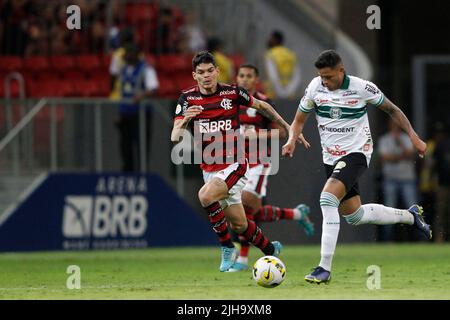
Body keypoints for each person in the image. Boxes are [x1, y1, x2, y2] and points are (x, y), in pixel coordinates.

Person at [282, 50, 431, 284]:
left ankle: (324, 268)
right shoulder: (315, 87)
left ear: (341, 71)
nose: (325, 81)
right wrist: (292, 139)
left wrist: (413, 136)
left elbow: (392, 109)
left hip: (357, 153)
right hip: (330, 158)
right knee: (354, 215)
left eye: (329, 77)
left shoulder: (362, 87)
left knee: (327, 199)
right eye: (322, 76)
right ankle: (410, 216)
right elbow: (299, 120)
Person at [171, 51, 304, 272]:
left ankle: (226, 247)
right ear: (195, 75)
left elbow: (263, 106)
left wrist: (289, 128)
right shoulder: (187, 99)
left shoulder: (231, 93)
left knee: (205, 196)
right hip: (209, 169)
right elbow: (175, 136)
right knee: (240, 224)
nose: (206, 76)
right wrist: (186, 119)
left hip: (236, 164)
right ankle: (271, 250)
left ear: (217, 71)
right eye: (201, 72)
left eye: (210, 71)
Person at [228, 64, 314, 272]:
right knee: (251, 211)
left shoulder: (264, 103)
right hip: (234, 162)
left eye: (249, 76)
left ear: (256, 79)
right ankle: (296, 214)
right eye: (242, 75)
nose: (245, 79)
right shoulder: (229, 102)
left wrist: (257, 135)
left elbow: (282, 133)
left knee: (245, 204)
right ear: (236, 79)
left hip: (259, 161)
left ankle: (242, 259)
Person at [116, 43, 159, 172]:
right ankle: (127, 172)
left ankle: (142, 172)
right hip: (125, 114)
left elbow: (153, 88)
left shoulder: (146, 69)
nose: (128, 56)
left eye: (131, 53)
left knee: (141, 146)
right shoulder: (123, 70)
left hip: (141, 114)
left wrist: (142, 95)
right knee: (125, 146)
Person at [378, 119, 421, 241]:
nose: (395, 127)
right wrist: (401, 156)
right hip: (390, 179)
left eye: (397, 125)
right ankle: (388, 240)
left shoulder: (407, 138)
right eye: (393, 125)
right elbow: (384, 157)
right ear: (390, 126)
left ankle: (420, 238)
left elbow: (411, 154)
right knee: (389, 210)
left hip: (407, 179)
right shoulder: (384, 139)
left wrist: (400, 143)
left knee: (413, 208)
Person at [264, 30, 301, 100]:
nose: (268, 40)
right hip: (290, 95)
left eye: (271, 38)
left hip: (274, 95)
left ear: (276, 40)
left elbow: (273, 77)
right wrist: (289, 91)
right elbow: (297, 77)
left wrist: (281, 93)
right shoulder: (291, 54)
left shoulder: (270, 54)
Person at [432, 123, 450, 242]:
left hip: (443, 184)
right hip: (443, 184)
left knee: (442, 213)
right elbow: (433, 165)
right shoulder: (440, 145)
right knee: (441, 213)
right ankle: (439, 239)